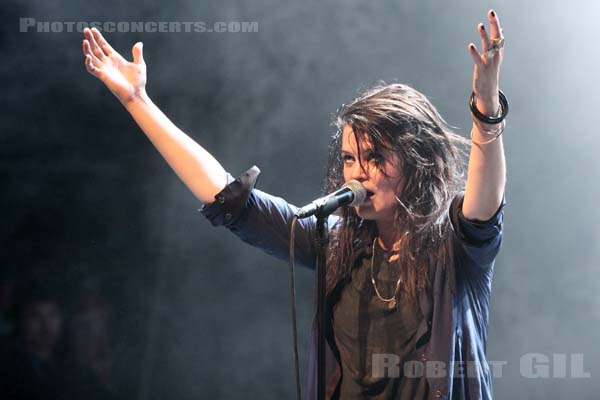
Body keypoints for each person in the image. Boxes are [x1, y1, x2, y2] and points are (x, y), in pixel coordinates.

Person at [82, 9, 507, 399]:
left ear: (416, 163)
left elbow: (483, 206)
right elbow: (228, 197)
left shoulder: (452, 248)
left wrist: (486, 112)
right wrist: (138, 101)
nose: (356, 173)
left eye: (374, 158)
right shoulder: (333, 240)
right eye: (347, 159)